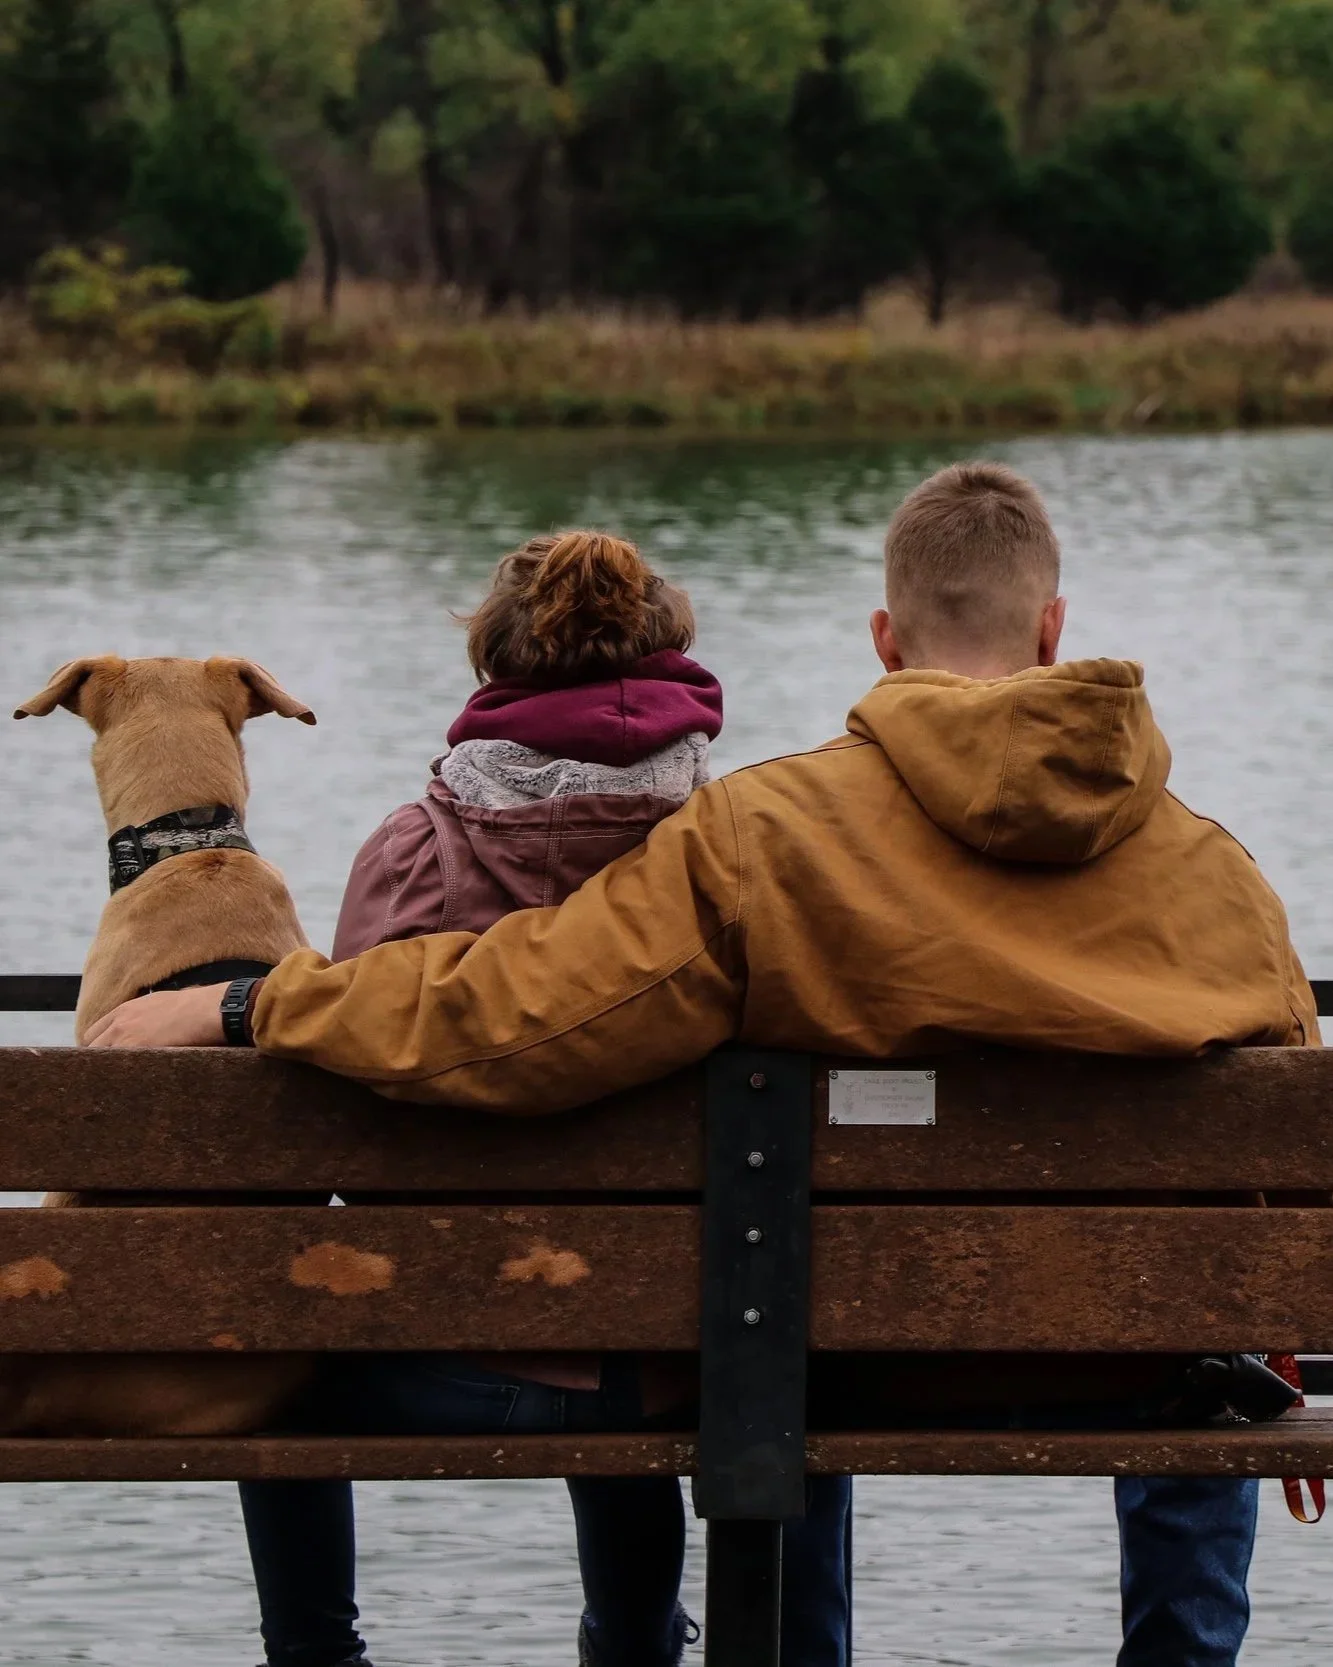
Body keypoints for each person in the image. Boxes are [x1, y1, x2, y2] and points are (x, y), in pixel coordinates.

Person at [91, 462, 1318, 1667]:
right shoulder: (1217, 871)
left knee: (785, 1338)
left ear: (885, 637)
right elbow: (1287, 1143)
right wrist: (1264, 1334)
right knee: (1191, 1337)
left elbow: (526, 1013)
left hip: (855, 1358)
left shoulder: (773, 833)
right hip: (1136, 1356)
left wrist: (257, 1003)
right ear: (1053, 630)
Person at [228, 528, 850, 1667]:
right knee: (687, 1324)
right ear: (670, 654)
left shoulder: (414, 851)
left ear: (494, 668)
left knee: (280, 1362)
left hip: (451, 1357)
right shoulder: (737, 855)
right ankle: (636, 1641)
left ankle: (321, 1657)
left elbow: (341, 1097)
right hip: (696, 1362)